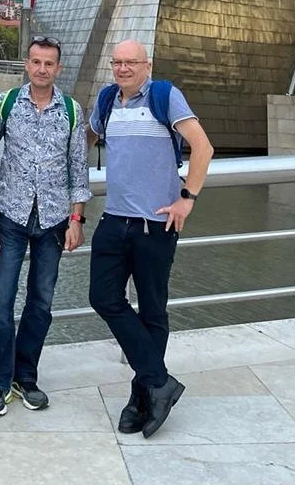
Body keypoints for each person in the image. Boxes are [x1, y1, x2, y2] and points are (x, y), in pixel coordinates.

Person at [86, 39, 214, 439]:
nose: (123, 68)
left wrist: (186, 199)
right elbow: (84, 142)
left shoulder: (164, 96)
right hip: (113, 220)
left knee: (153, 310)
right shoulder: (107, 101)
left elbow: (203, 147)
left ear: (147, 65)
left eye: (131, 62)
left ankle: (141, 395)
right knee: (102, 297)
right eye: (118, 62)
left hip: (156, 225)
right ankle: (158, 381)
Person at [0, 35, 91, 416]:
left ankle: (25, 377)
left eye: (49, 63)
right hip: (9, 215)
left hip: (54, 219)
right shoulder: (7, 103)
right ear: (26, 64)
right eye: (36, 62)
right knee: (0, 301)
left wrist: (76, 219)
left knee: (41, 302)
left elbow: (79, 170)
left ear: (58, 68)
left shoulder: (73, 111)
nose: (42, 69)